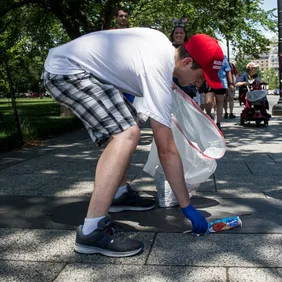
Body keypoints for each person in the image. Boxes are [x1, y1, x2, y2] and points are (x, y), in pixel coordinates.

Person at [42, 28, 224, 257]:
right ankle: (91, 231)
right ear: (187, 62)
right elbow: (166, 149)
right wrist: (186, 205)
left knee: (128, 122)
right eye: (200, 78)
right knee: (126, 133)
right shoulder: (159, 68)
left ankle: (118, 194)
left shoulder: (161, 48)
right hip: (66, 72)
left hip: (78, 68)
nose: (199, 85)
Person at [203, 55, 233, 131]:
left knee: (220, 103)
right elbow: (203, 68)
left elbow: (228, 70)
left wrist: (231, 83)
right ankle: (209, 116)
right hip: (209, 82)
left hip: (221, 82)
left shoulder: (223, 58)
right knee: (208, 102)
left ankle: (218, 123)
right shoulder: (207, 56)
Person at [170, 18, 196, 99]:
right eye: (176, 33)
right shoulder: (167, 46)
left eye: (181, 33)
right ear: (173, 34)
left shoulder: (190, 48)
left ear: (185, 35)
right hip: (171, 81)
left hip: (187, 84)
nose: (179, 35)